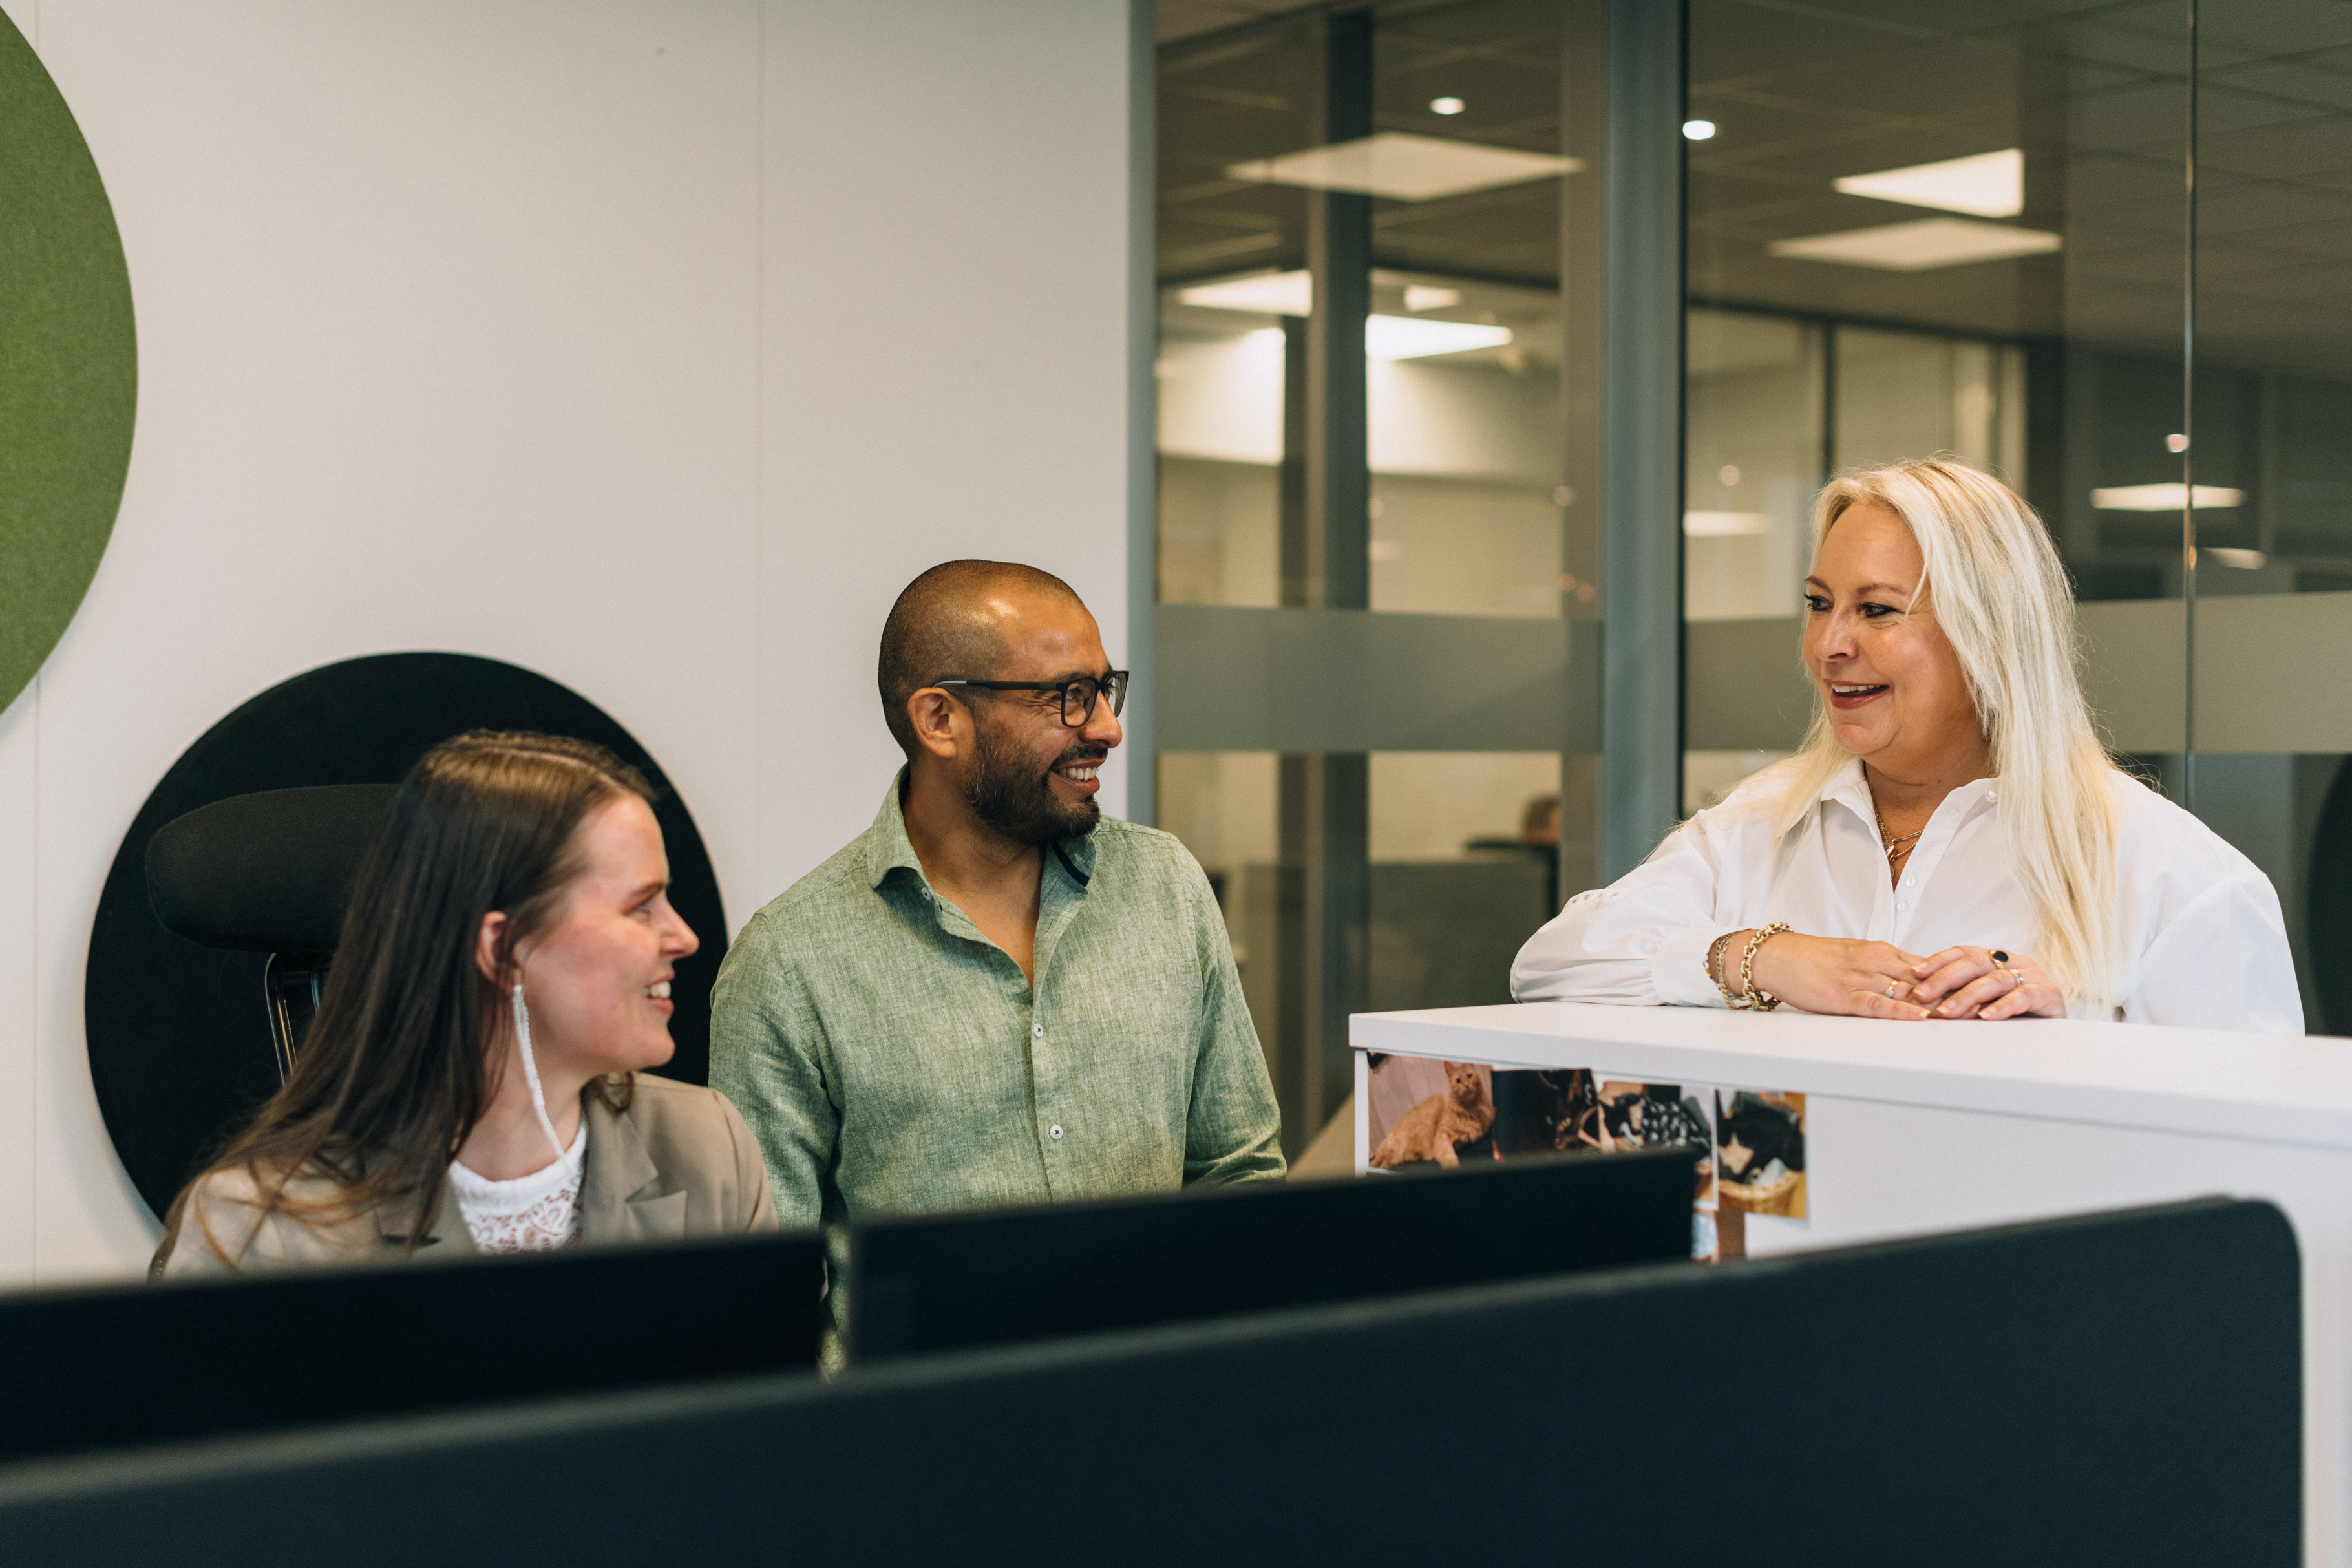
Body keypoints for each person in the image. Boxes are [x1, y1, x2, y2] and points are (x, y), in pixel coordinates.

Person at [1511, 458, 2302, 1032]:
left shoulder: (2169, 870)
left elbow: (2265, 1150)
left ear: (1989, 634)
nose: (1829, 644)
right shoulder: (1760, 826)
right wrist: (1760, 958)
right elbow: (1552, 964)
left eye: (1878, 610)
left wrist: (2083, 1019)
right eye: (1820, 604)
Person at [709, 560, 1284, 1279]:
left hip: (1157, 1386)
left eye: (1104, 690)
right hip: (924, 1395)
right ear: (940, 719)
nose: (1107, 728)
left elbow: (1238, 1176)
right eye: (1068, 697)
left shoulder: (1164, 885)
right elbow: (770, 1290)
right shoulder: (789, 962)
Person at [155, 732, 776, 1274]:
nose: (685, 937)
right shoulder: (258, 1236)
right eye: (641, 905)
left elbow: (777, 1407)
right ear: (502, 947)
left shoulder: (709, 1151)